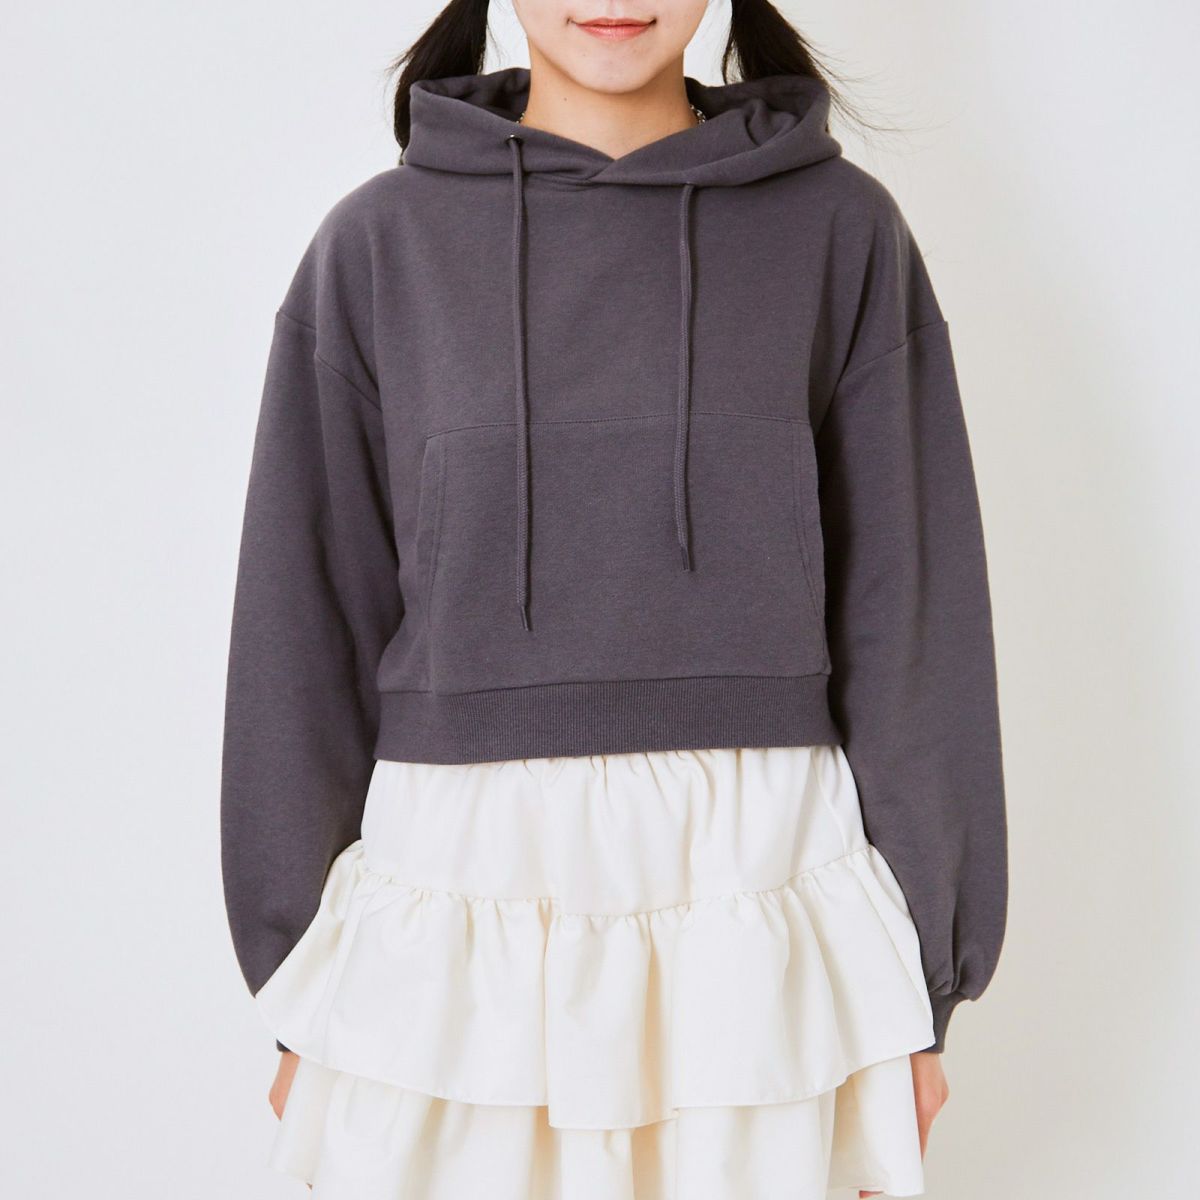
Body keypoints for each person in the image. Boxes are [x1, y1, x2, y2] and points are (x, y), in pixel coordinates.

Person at [219, 1, 1009, 1196]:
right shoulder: (379, 248)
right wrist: (299, 988)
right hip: (460, 914)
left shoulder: (841, 233)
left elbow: (910, 617)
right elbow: (304, 622)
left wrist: (920, 994)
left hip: (756, 890)